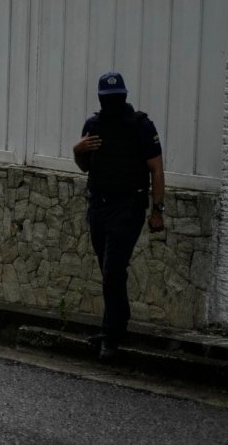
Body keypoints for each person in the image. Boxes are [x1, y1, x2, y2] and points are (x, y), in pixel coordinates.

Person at [72, 71, 165, 361]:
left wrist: (157, 211)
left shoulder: (140, 125)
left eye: (117, 97)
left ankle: (111, 337)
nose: (113, 101)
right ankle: (116, 324)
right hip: (99, 206)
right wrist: (77, 150)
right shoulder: (93, 125)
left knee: (113, 270)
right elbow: (84, 167)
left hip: (129, 206)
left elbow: (157, 170)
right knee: (109, 270)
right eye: (108, 98)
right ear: (101, 98)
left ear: (124, 96)